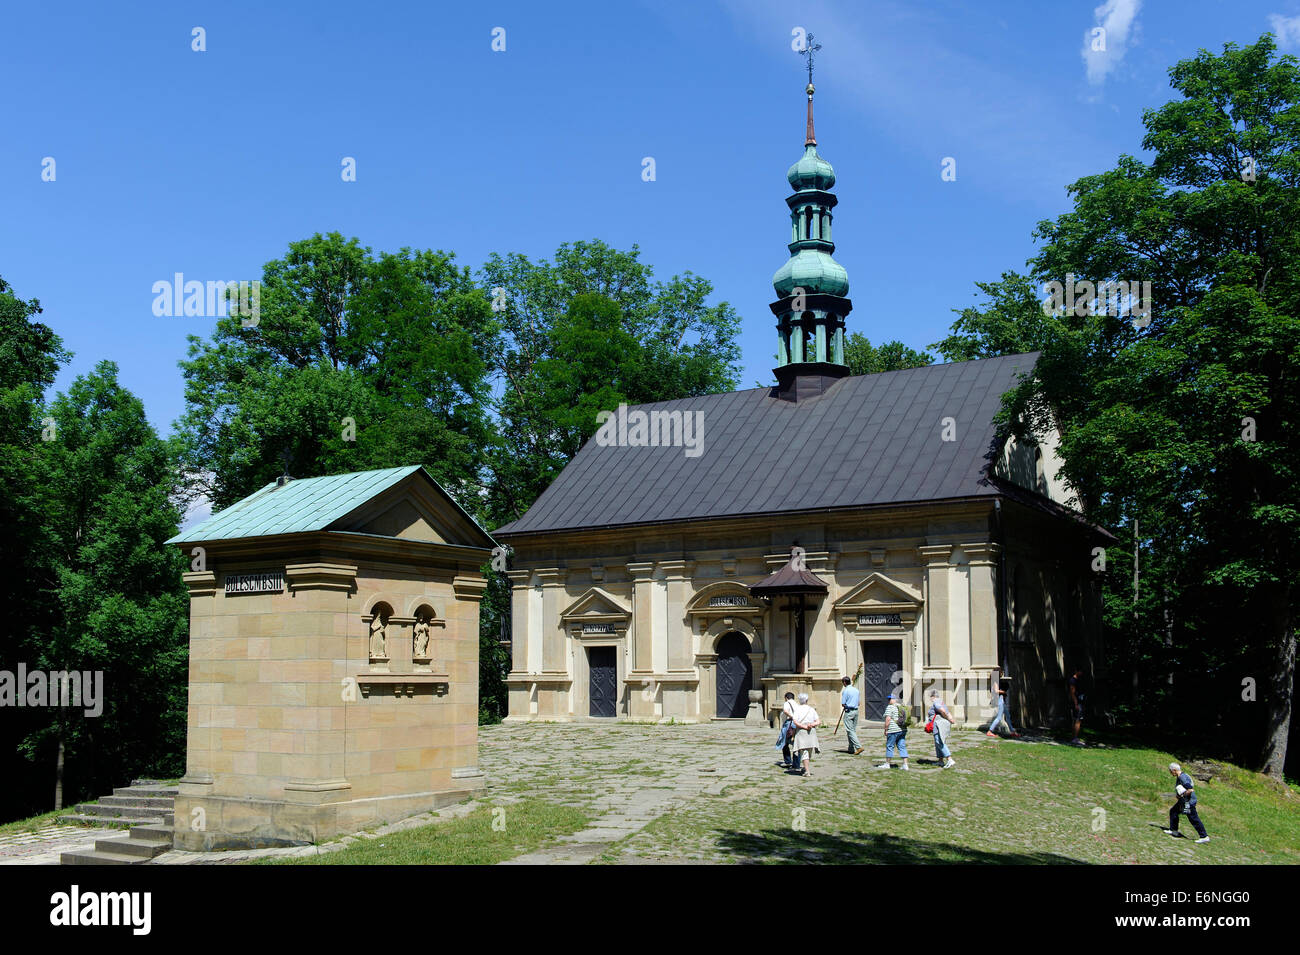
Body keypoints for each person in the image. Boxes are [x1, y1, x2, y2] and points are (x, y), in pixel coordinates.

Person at [1162, 762, 1210, 843]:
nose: (1170, 773)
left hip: (1189, 801)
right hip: (1184, 801)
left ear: (1174, 770)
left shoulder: (1182, 777)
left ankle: (1204, 836)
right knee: (1173, 811)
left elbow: (1190, 789)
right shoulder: (1183, 775)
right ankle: (1174, 830)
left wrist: (1182, 795)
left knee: (1193, 818)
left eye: (1170, 771)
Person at [875, 689, 909, 770]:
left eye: (890, 699)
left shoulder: (890, 707)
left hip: (893, 730)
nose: (889, 700)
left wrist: (886, 729)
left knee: (890, 746)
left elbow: (888, 719)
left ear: (894, 699)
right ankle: (905, 764)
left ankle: (887, 764)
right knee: (902, 746)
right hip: (902, 729)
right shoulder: (902, 706)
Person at [791, 693, 821, 777]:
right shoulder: (811, 709)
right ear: (807, 700)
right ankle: (806, 769)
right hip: (811, 731)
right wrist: (812, 724)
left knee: (805, 752)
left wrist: (803, 726)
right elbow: (818, 721)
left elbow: (795, 721)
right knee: (808, 752)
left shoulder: (797, 710)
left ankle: (806, 770)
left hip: (801, 731)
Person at [985, 667, 1020, 738]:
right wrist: (1003, 691)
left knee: (1008, 716)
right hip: (999, 700)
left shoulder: (995, 680)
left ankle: (1012, 731)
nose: (1002, 674)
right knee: (999, 717)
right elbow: (996, 690)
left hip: (1001, 700)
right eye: (1001, 672)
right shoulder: (995, 681)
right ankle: (990, 731)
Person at [927, 689, 956, 769]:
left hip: (938, 725)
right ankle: (940, 761)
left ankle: (949, 759)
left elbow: (942, 711)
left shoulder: (936, 702)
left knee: (939, 741)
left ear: (933, 696)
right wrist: (951, 719)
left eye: (930, 697)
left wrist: (947, 718)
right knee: (938, 743)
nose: (930, 698)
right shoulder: (941, 702)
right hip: (941, 725)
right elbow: (947, 712)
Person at [774, 692, 801, 771]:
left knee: (784, 743)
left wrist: (792, 716)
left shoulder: (787, 703)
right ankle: (796, 764)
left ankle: (788, 761)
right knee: (796, 745)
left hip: (789, 724)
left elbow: (785, 711)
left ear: (786, 697)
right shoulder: (797, 704)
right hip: (796, 724)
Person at [840, 676, 863, 755]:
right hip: (856, 711)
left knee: (850, 730)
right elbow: (859, 703)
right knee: (852, 730)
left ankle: (858, 747)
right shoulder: (856, 690)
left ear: (844, 683)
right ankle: (851, 748)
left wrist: (846, 705)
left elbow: (843, 703)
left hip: (849, 712)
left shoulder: (846, 691)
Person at [1068, 668, 1085, 746]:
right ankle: (1075, 738)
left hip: (1079, 701)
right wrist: (1076, 703)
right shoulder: (1073, 680)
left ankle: (1074, 737)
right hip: (1077, 703)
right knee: (1078, 720)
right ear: (1076, 671)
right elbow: (1072, 692)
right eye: (1080, 671)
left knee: (1076, 720)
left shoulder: (1078, 680)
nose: (1081, 672)